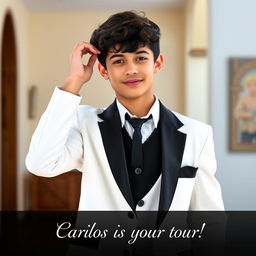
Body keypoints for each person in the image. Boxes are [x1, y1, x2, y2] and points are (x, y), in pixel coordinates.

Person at [26, 11, 224, 215]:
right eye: (119, 61)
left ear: (157, 63)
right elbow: (41, 164)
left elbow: (210, 218)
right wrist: (74, 80)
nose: (131, 69)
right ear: (104, 71)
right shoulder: (85, 123)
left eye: (140, 58)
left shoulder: (197, 134)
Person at [234, 75, 256, 143]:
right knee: (245, 147)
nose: (252, 88)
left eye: (254, 85)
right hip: (247, 129)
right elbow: (237, 114)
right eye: (249, 85)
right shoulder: (244, 99)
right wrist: (248, 114)